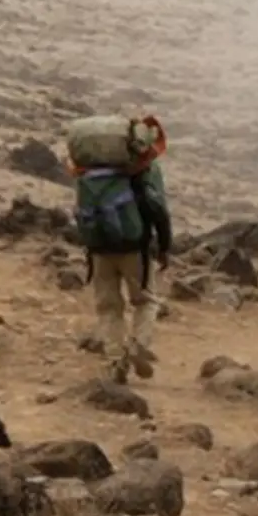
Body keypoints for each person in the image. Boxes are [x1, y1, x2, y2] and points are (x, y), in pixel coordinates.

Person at [77, 149, 173, 385]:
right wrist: (163, 247)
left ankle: (115, 361)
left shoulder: (91, 174)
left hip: (99, 252)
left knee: (108, 308)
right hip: (134, 250)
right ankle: (139, 345)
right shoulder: (141, 175)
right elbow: (158, 210)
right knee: (146, 301)